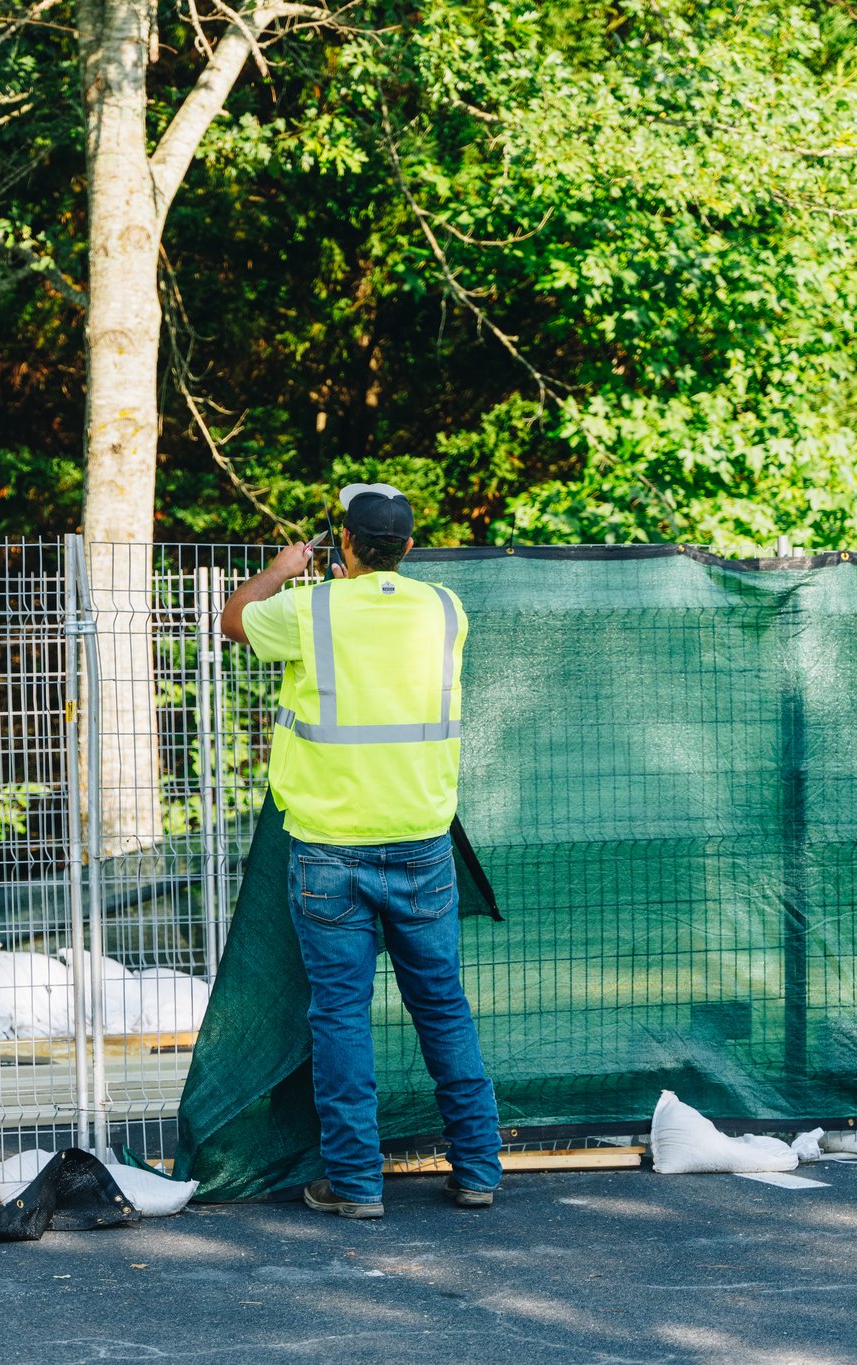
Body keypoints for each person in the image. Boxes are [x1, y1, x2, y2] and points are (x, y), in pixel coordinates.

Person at [220, 482, 501, 1220]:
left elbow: (232, 620)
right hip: (420, 844)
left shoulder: (310, 609)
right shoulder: (445, 610)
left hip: (329, 851)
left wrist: (284, 568)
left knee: (341, 1015)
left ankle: (356, 1184)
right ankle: (477, 1168)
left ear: (341, 543)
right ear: (408, 548)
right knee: (441, 1007)